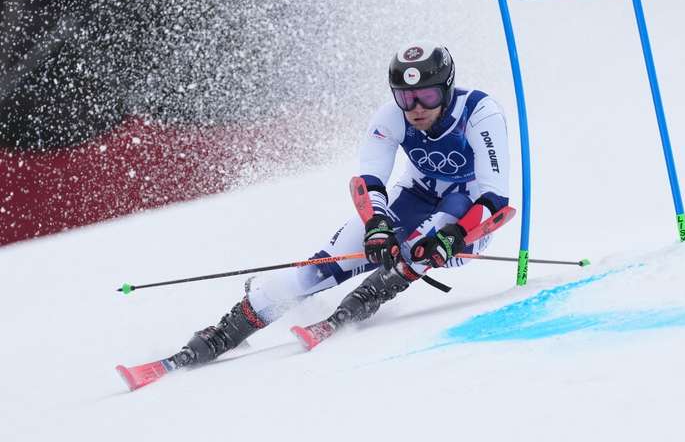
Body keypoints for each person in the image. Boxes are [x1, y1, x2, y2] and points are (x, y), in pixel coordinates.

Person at [169, 43, 511, 365]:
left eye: (428, 95)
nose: (416, 108)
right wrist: (376, 224)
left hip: (471, 214)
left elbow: (495, 201)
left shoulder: (479, 113)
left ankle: (367, 298)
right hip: (415, 194)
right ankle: (226, 331)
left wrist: (455, 236)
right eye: (406, 98)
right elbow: (369, 181)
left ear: (448, 90)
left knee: (422, 247)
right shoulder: (390, 117)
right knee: (325, 264)